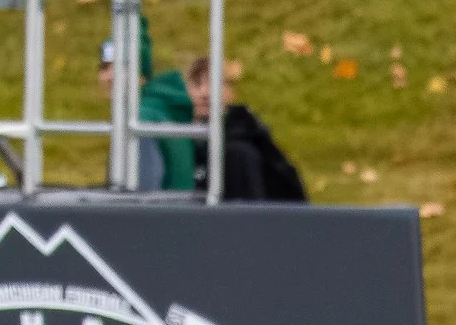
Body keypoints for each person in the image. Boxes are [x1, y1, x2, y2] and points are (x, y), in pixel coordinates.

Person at [187, 56, 309, 202]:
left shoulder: (241, 151)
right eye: (197, 84)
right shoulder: (177, 140)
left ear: (231, 92)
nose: (204, 93)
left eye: (214, 84)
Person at [98, 14, 195, 192]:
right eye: (104, 67)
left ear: (140, 73)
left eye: (121, 66)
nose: (109, 76)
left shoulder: (140, 121)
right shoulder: (160, 110)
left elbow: (142, 197)